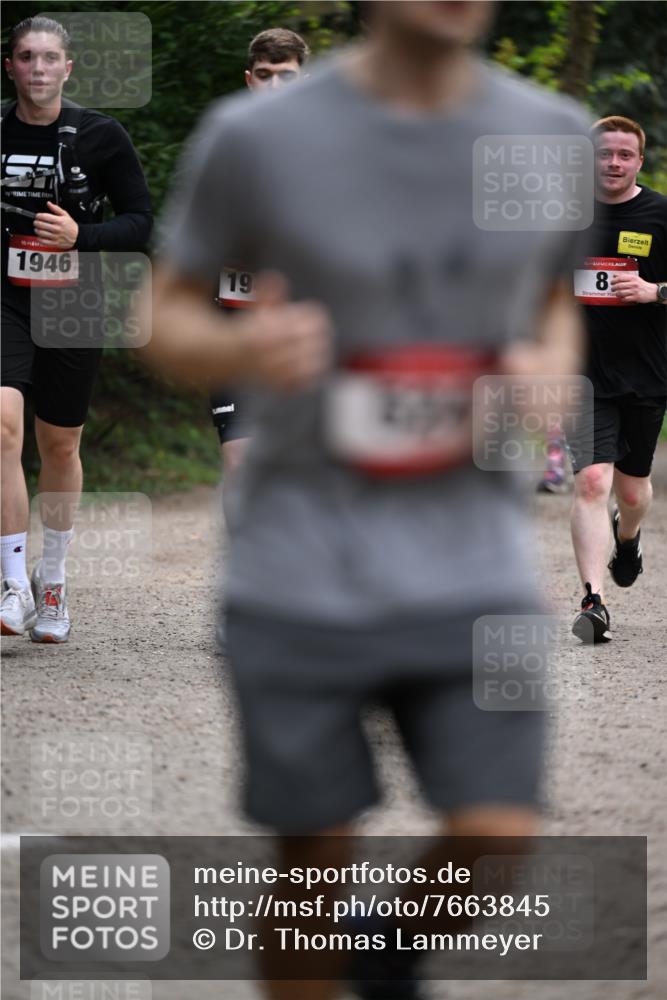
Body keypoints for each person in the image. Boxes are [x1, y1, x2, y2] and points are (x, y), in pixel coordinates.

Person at [141, 2, 590, 997]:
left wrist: (545, 367)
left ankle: (382, 953)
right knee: (313, 857)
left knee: (498, 832)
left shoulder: (545, 133)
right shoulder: (260, 135)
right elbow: (163, 310)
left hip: (475, 557)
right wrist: (239, 346)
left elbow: (552, 300)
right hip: (300, 557)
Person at [1, 16, 152, 642]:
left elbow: (141, 220)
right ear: (10, 66)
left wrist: (80, 236)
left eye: (49, 58)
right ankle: (12, 583)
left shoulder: (101, 134)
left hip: (74, 299)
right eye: (25, 56)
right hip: (5, 298)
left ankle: (52, 580)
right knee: (2, 425)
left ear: (68, 68)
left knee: (60, 445)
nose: (37, 68)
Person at [570, 116, 667, 645]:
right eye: (604, 153)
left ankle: (627, 539)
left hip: (646, 372)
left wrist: (656, 292)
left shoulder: (659, 213)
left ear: (639, 161)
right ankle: (593, 602)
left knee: (631, 493)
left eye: (624, 154)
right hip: (582, 373)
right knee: (591, 480)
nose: (613, 162)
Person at [209, 27, 309, 475]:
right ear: (249, 79)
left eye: (286, 75)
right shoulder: (222, 145)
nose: (274, 85)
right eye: (265, 74)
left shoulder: (330, 151)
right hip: (235, 328)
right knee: (239, 459)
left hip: (305, 331)